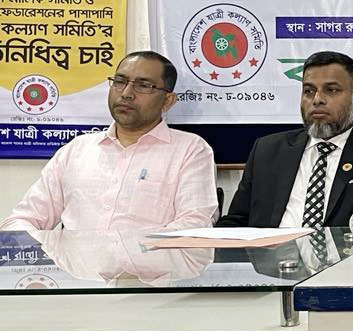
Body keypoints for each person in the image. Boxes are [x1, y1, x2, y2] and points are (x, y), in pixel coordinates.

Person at [2, 51, 217, 231]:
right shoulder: (77, 150)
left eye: (144, 85)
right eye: (120, 82)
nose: (127, 93)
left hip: (150, 268)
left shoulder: (190, 150)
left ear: (168, 101)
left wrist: (133, 254)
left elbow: (194, 224)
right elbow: (24, 219)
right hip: (76, 268)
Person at [218, 51, 353, 231]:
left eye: (331, 90)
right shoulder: (267, 150)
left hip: (349, 259)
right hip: (270, 258)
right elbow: (237, 221)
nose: (317, 99)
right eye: (309, 91)